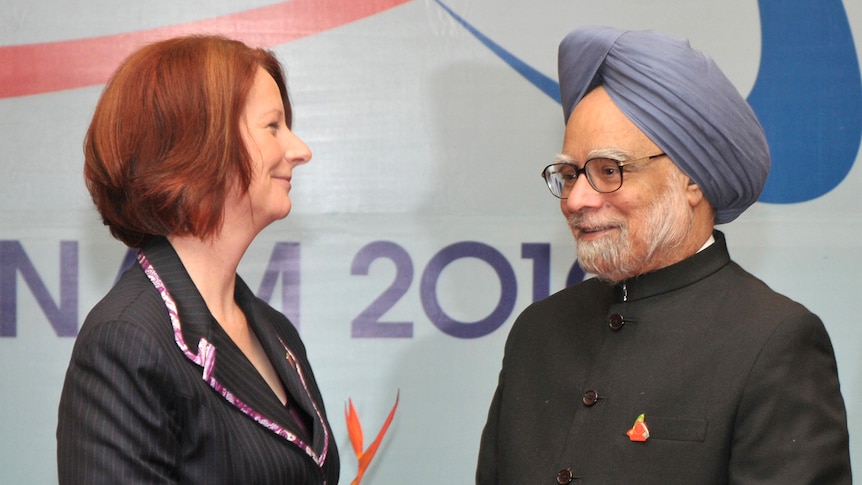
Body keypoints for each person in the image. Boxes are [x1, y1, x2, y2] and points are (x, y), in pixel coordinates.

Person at [476, 26, 851, 484]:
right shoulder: (538, 332)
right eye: (571, 175)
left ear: (692, 178)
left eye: (608, 171)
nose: (575, 201)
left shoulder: (773, 341)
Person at [57, 35, 339, 484]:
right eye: (273, 127)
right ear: (200, 147)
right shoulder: (127, 341)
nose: (300, 150)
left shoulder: (275, 332)